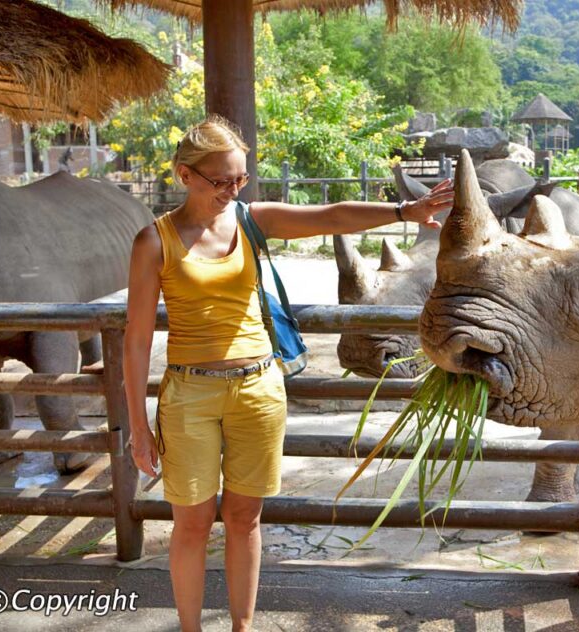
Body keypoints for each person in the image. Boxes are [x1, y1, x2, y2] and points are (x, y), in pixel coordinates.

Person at [123, 115, 453, 632]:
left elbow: (330, 215)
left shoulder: (250, 219)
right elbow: (137, 340)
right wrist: (139, 429)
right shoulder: (153, 241)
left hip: (259, 389)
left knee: (244, 518)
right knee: (190, 525)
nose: (233, 190)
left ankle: (242, 627)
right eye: (221, 181)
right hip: (188, 395)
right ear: (185, 175)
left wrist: (402, 210)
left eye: (240, 178)